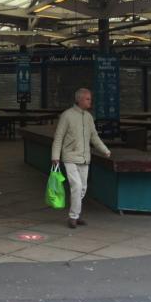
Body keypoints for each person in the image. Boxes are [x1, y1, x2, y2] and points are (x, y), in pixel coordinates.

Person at [51, 88, 111, 229]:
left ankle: (76, 214)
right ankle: (73, 217)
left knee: (83, 188)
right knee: (76, 186)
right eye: (87, 99)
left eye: (90, 98)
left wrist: (105, 150)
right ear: (79, 100)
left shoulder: (89, 117)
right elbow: (58, 136)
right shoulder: (67, 115)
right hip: (70, 157)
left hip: (85, 158)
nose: (90, 101)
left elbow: (94, 136)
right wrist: (55, 156)